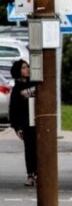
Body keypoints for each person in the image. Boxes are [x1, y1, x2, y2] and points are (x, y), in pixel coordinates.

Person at [8, 59, 38, 187]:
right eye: (23, 68)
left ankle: (39, 172)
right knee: (29, 149)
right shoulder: (16, 89)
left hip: (38, 120)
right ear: (18, 71)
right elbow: (13, 109)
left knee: (39, 148)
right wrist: (17, 127)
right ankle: (30, 174)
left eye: (28, 67)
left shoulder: (35, 83)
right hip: (26, 123)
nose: (27, 69)